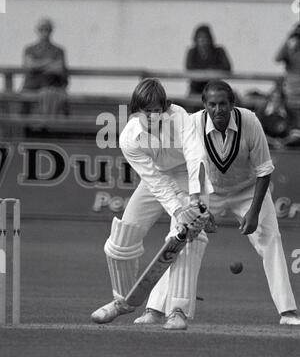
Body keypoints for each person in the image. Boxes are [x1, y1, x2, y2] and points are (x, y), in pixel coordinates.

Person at [139, 81, 300, 326]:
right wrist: (199, 206)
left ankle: (288, 312)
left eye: (223, 104)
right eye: (212, 104)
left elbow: (264, 170)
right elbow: (183, 168)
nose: (218, 110)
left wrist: (254, 213)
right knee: (178, 238)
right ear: (204, 106)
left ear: (232, 104)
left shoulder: (250, 122)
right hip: (205, 191)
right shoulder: (191, 124)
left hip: (247, 191)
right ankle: (155, 309)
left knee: (271, 240)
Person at [91, 78, 214, 330]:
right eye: (146, 111)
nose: (152, 116)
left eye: (157, 110)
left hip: (188, 175)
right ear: (136, 110)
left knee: (186, 237)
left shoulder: (179, 116)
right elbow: (155, 180)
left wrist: (195, 201)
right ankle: (123, 300)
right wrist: (178, 209)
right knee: (121, 239)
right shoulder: (129, 139)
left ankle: (177, 311)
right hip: (157, 177)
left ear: (164, 109)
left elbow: (196, 157)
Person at [22, 18, 68, 116]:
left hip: (51, 85)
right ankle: (25, 126)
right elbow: (30, 65)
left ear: (51, 31)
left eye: (47, 29)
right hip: (32, 86)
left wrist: (38, 64)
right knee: (23, 100)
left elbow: (58, 68)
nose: (44, 32)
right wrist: (49, 62)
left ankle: (50, 127)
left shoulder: (58, 50)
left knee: (52, 96)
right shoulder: (30, 49)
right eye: (42, 29)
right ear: (37, 31)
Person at [185, 24, 232, 95]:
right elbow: (189, 67)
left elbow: (227, 67)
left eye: (205, 38)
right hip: (196, 88)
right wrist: (211, 69)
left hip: (215, 89)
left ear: (210, 39)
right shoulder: (192, 52)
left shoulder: (219, 51)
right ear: (196, 40)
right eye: (200, 38)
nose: (203, 41)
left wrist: (205, 69)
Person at [275, 23, 300, 132]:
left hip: (293, 87)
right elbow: (277, 58)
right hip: (292, 89)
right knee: (293, 117)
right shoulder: (291, 47)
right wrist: (288, 42)